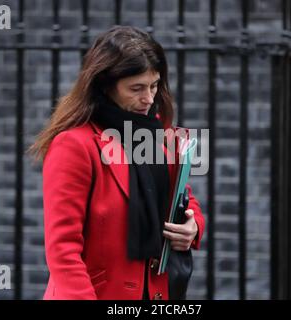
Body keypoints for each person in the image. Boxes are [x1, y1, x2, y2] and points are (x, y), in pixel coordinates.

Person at [29, 26, 205, 300]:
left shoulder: (154, 132)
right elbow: (63, 251)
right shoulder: (74, 145)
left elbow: (183, 197)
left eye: (154, 85)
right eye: (136, 88)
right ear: (105, 86)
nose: (148, 98)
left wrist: (192, 228)